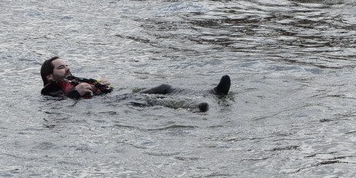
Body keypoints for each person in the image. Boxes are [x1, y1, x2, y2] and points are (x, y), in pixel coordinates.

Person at [39, 57, 232, 108]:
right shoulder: (50, 90)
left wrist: (104, 86)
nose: (67, 68)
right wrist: (75, 93)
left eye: (67, 65)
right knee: (150, 101)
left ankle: (212, 93)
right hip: (109, 107)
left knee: (164, 87)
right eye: (61, 67)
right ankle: (194, 107)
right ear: (49, 76)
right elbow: (62, 103)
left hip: (113, 100)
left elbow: (101, 91)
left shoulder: (76, 79)